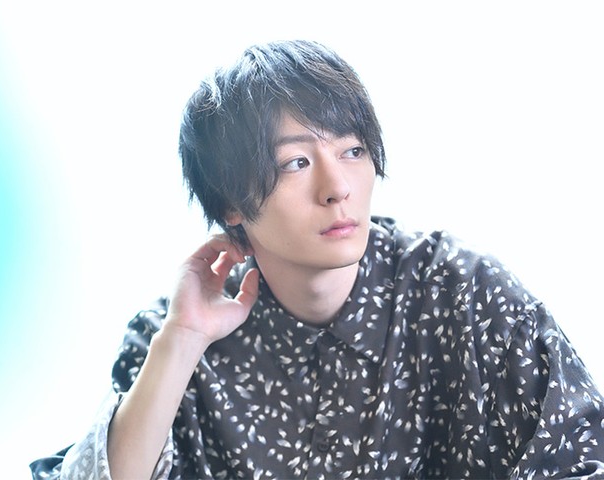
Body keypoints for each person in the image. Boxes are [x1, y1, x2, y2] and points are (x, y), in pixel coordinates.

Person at [30, 40, 604, 479]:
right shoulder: (174, 334)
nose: (337, 188)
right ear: (231, 202)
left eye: (352, 150)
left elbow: (584, 456)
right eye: (296, 164)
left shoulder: (464, 291)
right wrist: (182, 341)